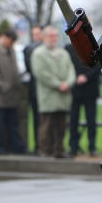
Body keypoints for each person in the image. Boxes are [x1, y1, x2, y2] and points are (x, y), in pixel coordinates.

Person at [30, 26, 75, 158]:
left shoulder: (63, 53)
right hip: (48, 95)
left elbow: (71, 70)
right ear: (44, 37)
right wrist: (57, 84)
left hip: (63, 96)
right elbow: (41, 73)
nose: (53, 38)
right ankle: (45, 150)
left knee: (61, 125)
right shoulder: (38, 53)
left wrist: (68, 83)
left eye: (55, 35)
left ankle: (59, 149)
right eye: (51, 36)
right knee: (46, 125)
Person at [0, 28, 25, 154]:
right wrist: (4, 86)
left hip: (12, 95)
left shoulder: (11, 50)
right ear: (4, 37)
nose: (11, 44)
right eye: (10, 41)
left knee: (12, 123)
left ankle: (15, 145)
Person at [65, 34, 100, 156]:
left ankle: (92, 147)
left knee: (91, 120)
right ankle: (73, 147)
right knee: (73, 120)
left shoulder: (93, 47)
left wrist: (86, 76)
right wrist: (75, 77)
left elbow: (98, 66)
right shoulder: (68, 48)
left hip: (90, 89)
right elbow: (66, 66)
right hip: (75, 89)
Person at [23, 25, 42, 152]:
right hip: (35, 89)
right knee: (36, 119)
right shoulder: (29, 49)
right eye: (34, 34)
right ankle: (37, 145)